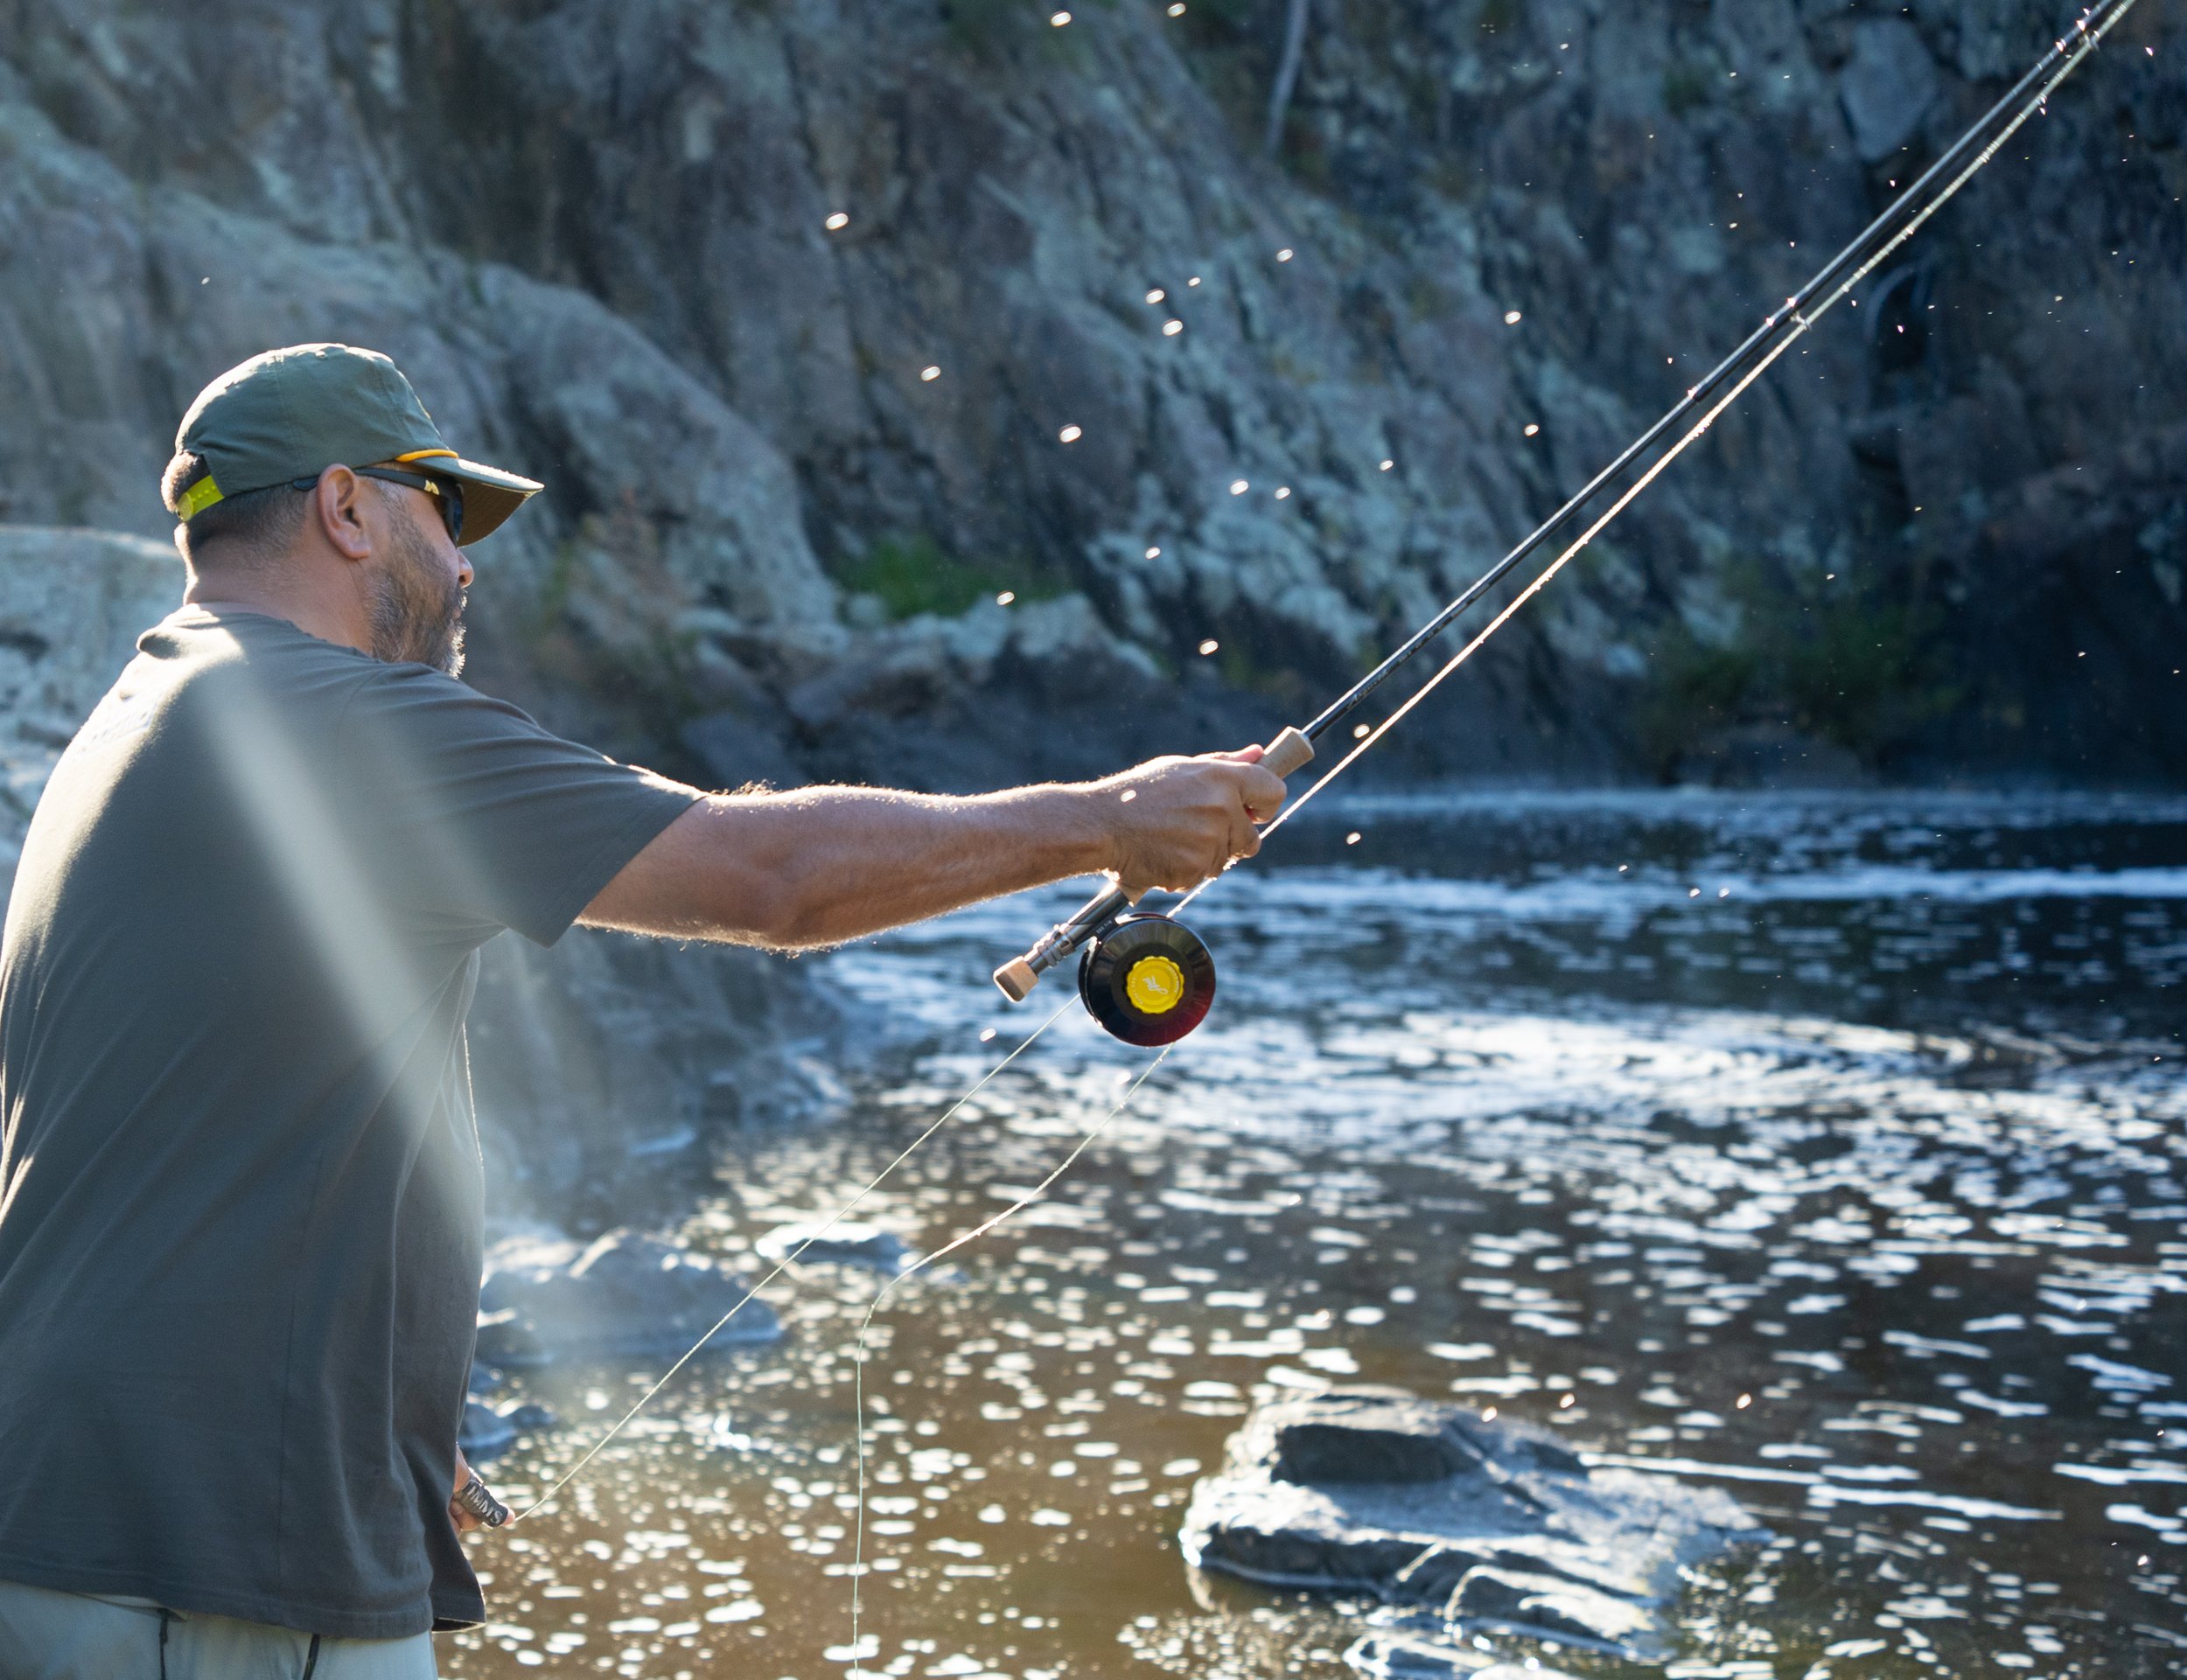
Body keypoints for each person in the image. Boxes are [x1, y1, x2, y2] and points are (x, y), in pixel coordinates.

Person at [0, 344, 1287, 1677]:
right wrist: (1110, 818)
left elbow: (173, 1116)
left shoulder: (143, 713)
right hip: (195, 1565)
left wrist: (364, 1401)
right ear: (346, 509)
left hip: (115, 1527)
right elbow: (772, 879)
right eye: (445, 512)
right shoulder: (337, 718)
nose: (464, 564)